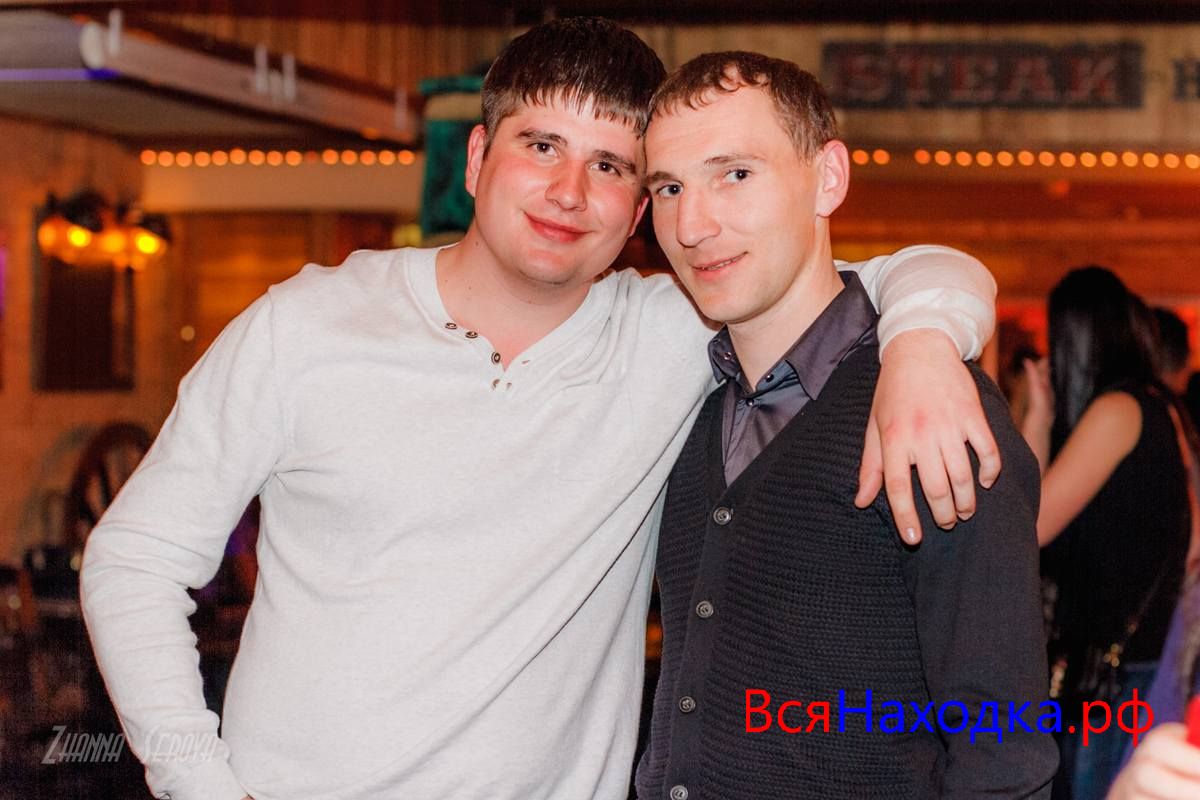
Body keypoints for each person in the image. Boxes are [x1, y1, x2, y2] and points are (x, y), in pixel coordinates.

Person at [81, 19, 1001, 800]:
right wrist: (200, 782)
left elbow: (898, 274)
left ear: (639, 212)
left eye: (611, 165)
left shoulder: (673, 332)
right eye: (542, 146)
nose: (570, 193)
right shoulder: (307, 325)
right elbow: (134, 561)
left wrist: (922, 343)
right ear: (479, 158)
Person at [634, 51, 1056, 799]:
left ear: (828, 178)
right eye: (669, 187)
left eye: (735, 174)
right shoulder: (687, 401)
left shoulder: (930, 408)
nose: (693, 225)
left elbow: (1002, 747)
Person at [1023, 268, 1192, 799]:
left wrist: (1037, 415)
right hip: (1143, 662)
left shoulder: (1118, 409)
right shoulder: (1160, 406)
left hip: (1113, 678)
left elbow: (1029, 526)